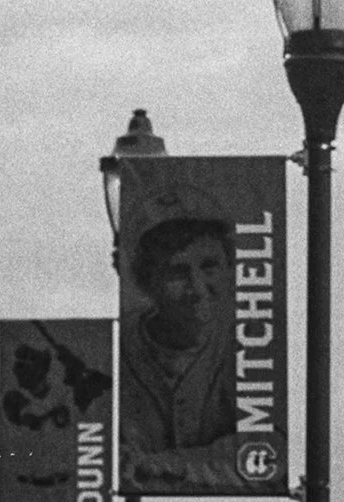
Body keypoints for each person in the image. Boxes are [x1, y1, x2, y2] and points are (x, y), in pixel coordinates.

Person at [118, 208, 245, 491]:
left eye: (210, 266)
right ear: (148, 282)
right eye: (177, 272)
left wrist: (175, 464)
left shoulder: (251, 340)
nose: (197, 288)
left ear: (230, 269)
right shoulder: (118, 347)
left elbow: (269, 449)